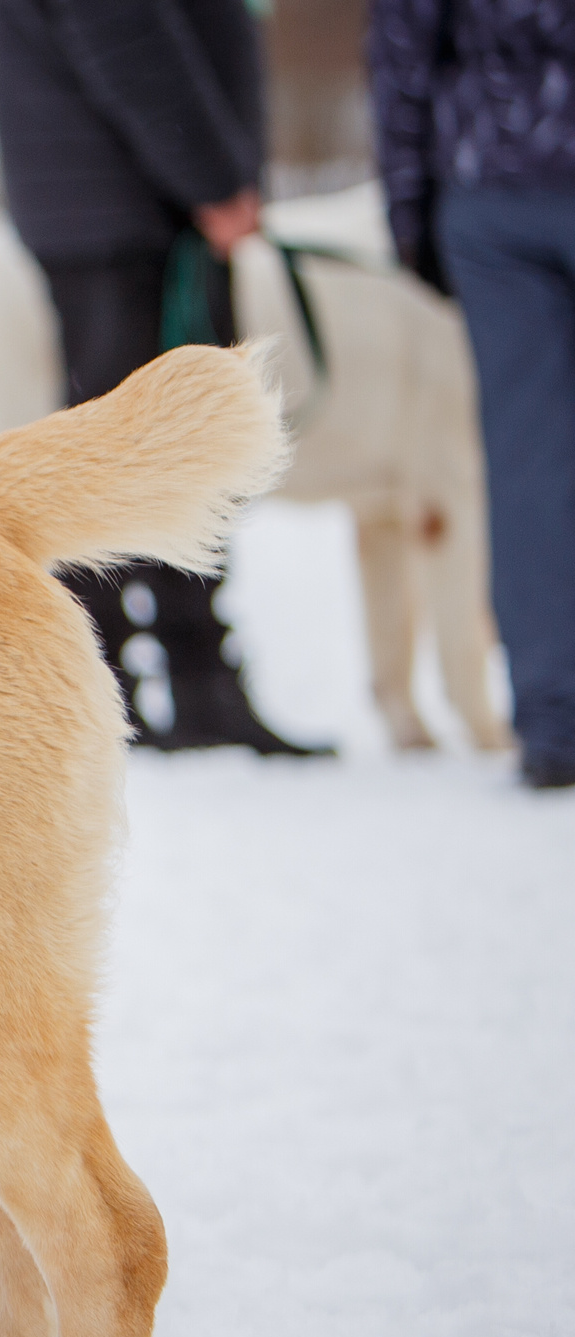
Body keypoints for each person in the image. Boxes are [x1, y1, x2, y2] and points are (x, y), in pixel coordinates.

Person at [0, 0, 329, 755]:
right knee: (127, 459)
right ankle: (116, 685)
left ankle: (169, 676)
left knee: (144, 453)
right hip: (127, 208)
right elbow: (124, 31)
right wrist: (214, 181)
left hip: (119, 204)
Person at [371, 0, 575, 791]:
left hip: (491, 182)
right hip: (497, 194)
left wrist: (409, 211)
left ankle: (556, 718)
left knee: (529, 460)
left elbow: (401, 48)